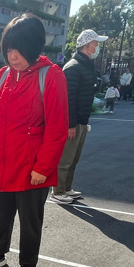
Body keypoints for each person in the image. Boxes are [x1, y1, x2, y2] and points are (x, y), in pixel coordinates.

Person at [0, 13, 69, 267]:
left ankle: (29, 266)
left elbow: (57, 127)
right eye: (8, 49)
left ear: (33, 47)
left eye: (18, 49)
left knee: (30, 222)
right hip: (1, 162)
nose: (12, 56)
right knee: (1, 216)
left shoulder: (51, 75)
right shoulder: (2, 76)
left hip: (31, 168)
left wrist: (43, 168)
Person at [51, 29, 103, 205]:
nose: (97, 47)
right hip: (73, 122)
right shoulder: (73, 67)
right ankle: (58, 191)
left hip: (81, 120)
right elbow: (68, 99)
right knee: (66, 158)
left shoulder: (85, 65)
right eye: (95, 43)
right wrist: (70, 124)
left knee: (74, 158)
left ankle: (66, 188)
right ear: (88, 45)